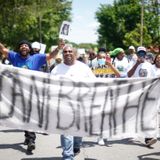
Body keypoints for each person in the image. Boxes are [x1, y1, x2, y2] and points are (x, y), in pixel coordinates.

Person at [0, 39, 65, 153]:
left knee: (28, 115)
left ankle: (31, 140)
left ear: (29, 49)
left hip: (33, 92)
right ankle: (28, 136)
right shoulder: (14, 57)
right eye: (21, 46)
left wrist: (59, 48)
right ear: (19, 49)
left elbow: (51, 55)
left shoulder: (37, 58)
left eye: (26, 46)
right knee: (23, 116)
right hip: (18, 92)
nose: (24, 47)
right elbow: (2, 49)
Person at [51, 44, 95, 160]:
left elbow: (94, 83)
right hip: (64, 106)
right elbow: (51, 86)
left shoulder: (84, 68)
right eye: (65, 52)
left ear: (74, 54)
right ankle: (67, 156)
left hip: (81, 105)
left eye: (70, 51)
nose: (68, 53)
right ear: (63, 54)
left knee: (78, 132)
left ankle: (76, 145)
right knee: (66, 131)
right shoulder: (56, 69)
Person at [127, 46, 157, 147]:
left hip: (147, 94)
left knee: (147, 115)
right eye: (139, 53)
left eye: (143, 53)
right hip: (135, 94)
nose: (141, 55)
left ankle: (148, 138)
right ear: (137, 54)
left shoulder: (149, 65)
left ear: (145, 54)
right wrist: (137, 64)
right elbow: (128, 75)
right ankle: (131, 131)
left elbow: (154, 79)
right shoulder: (132, 63)